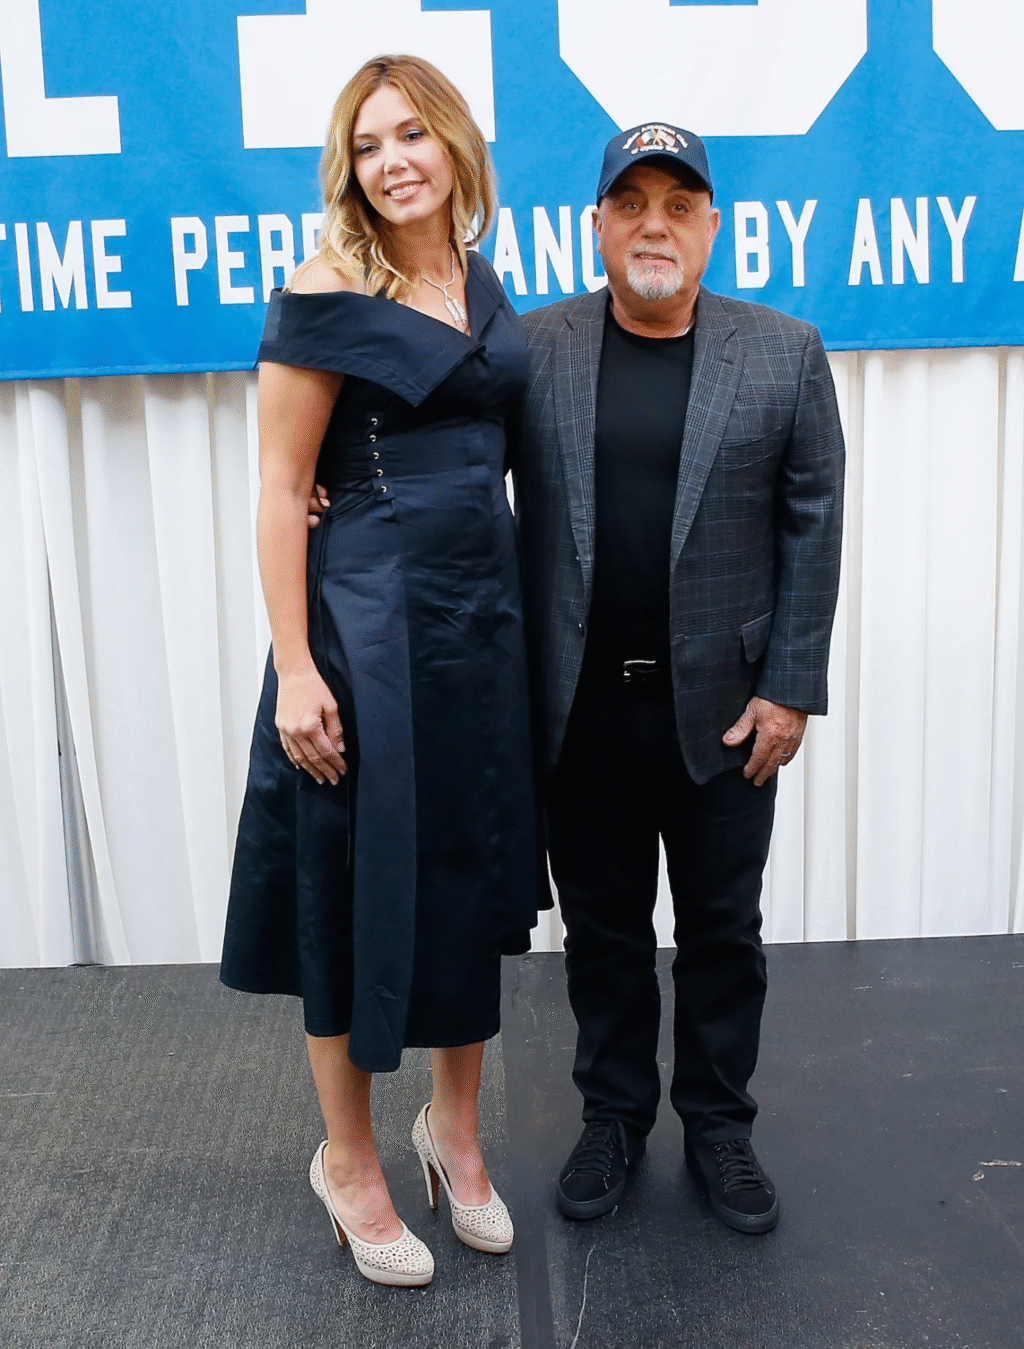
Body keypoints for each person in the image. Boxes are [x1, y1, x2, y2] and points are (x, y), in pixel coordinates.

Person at [220, 54, 547, 1287]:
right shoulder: (322, 290)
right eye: (367, 144)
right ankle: (348, 1158)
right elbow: (277, 486)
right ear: (347, 170)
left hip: (482, 627)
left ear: (454, 145)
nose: (393, 160)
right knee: (351, 884)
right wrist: (297, 666)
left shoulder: (481, 280)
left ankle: (452, 1132)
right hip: (365, 628)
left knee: (473, 869)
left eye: (412, 133)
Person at [512, 123, 845, 1232]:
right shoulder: (534, 348)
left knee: (721, 932)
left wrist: (790, 687)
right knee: (603, 932)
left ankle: (718, 1126)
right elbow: (455, 472)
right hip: (581, 712)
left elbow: (813, 521)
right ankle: (613, 1116)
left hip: (728, 712)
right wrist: (349, 487)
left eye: (677, 205)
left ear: (711, 227)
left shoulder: (784, 350)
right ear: (596, 225)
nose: (652, 224)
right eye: (630, 203)